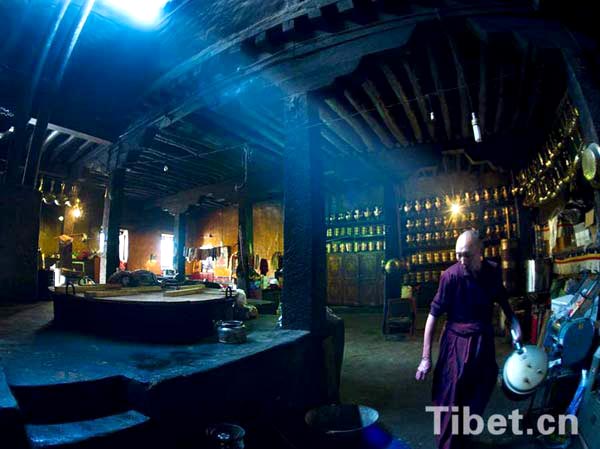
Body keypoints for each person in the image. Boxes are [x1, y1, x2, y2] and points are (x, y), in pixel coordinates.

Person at [415, 229, 522, 449]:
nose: (462, 260)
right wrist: (426, 357)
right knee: (451, 393)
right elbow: (432, 316)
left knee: (483, 384)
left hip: (483, 339)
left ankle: (464, 435)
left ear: (480, 252)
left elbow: (502, 301)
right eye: (458, 254)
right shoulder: (450, 276)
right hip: (456, 341)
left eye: (467, 255)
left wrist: (514, 322)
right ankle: (448, 444)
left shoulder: (491, 272)